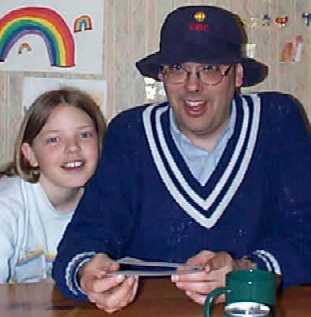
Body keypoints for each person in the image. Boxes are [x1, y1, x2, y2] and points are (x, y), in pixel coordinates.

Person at [52, 5, 311, 313]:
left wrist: (247, 269)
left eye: (211, 68)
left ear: (238, 75)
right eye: (177, 68)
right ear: (162, 75)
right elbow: (86, 236)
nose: (192, 85)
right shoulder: (130, 133)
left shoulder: (277, 122)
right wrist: (87, 275)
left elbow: (304, 234)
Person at [0, 88, 106, 283]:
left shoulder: (108, 203)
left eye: (84, 135)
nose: (73, 147)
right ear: (30, 154)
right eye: (53, 139)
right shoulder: (6, 205)